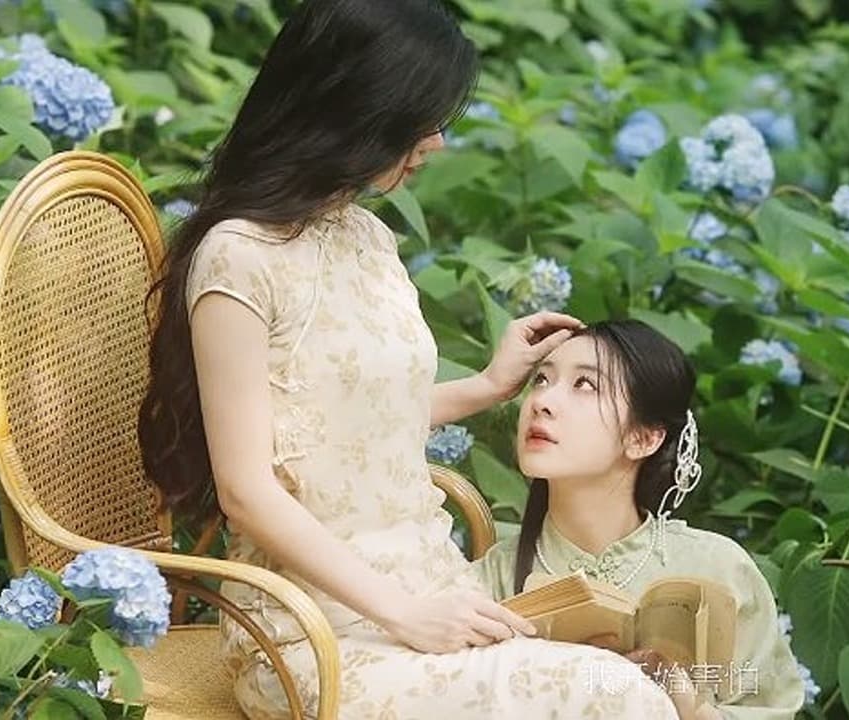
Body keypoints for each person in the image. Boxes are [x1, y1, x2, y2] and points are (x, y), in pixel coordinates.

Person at [136, 0, 680, 717]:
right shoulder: (238, 257)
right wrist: (406, 614)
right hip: (313, 636)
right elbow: (246, 490)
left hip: (438, 594)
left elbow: (341, 420)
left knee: (652, 674)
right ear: (359, 108)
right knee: (615, 697)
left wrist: (487, 385)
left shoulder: (365, 236)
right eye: (422, 119)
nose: (438, 142)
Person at [473, 320, 806, 720]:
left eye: (585, 385)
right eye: (542, 379)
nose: (543, 401)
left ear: (644, 438)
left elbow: (771, 708)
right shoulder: (490, 578)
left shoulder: (719, 569)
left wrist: (686, 704)